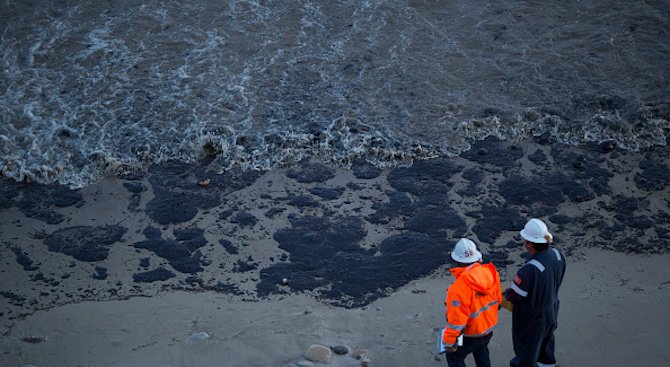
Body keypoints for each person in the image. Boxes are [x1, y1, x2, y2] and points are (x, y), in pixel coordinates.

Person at [504, 218, 566, 367]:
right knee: (546, 347)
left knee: (526, 352)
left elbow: (515, 295)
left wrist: (504, 295)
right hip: (551, 310)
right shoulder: (558, 256)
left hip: (532, 319)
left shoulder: (529, 269)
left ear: (530, 243)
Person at [443, 238, 502, 367]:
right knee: (482, 352)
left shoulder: (458, 289)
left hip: (470, 335)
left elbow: (457, 322)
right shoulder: (491, 273)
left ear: (457, 260)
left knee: (455, 358)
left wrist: (449, 342)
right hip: (488, 329)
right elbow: (498, 301)